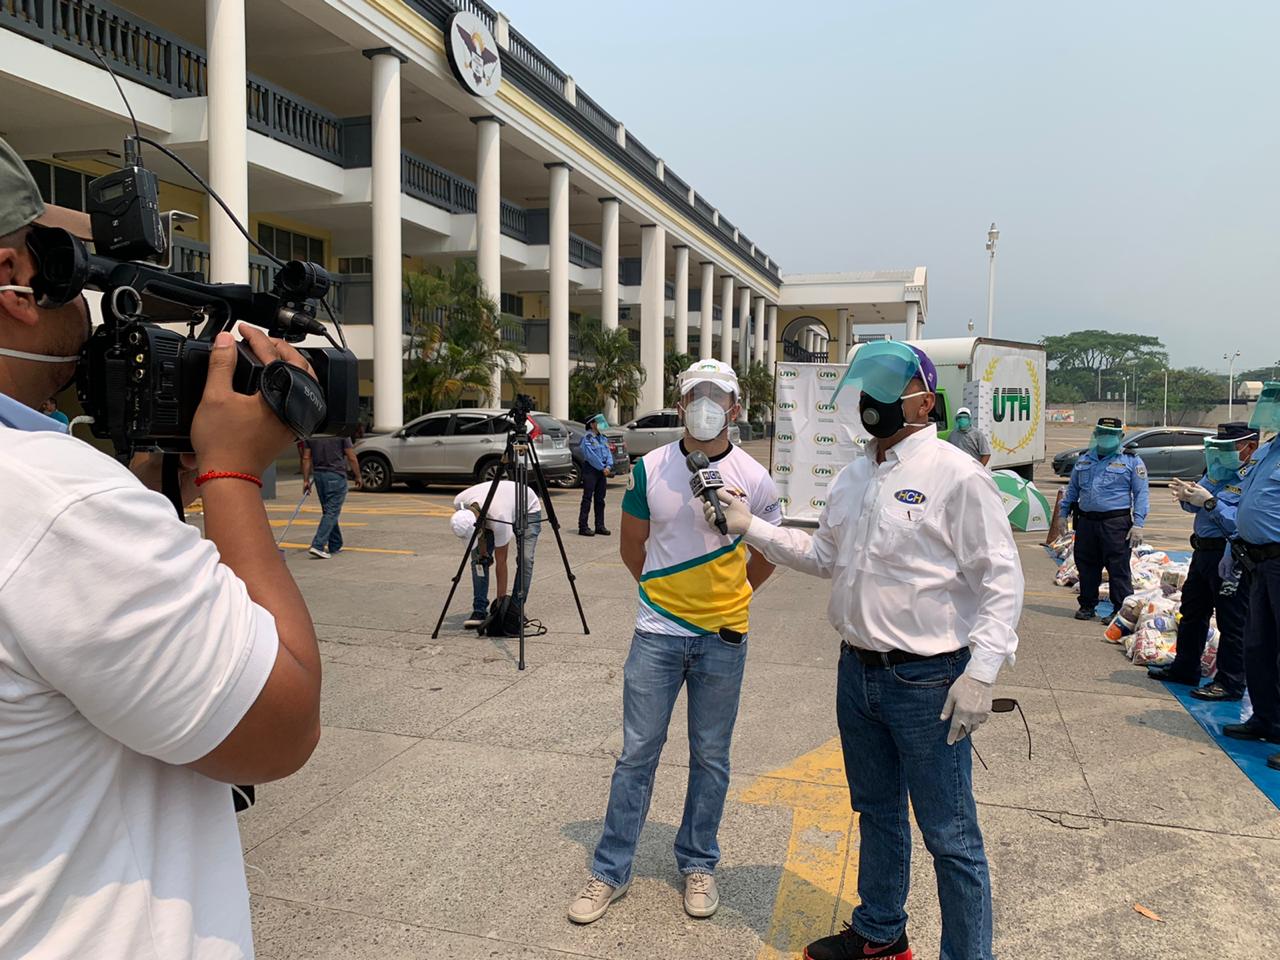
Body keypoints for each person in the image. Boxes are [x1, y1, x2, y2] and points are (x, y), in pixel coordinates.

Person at [0, 136, 322, 959]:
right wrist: (231, 473)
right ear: (15, 277)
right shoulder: (54, 503)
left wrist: (145, 488)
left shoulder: (68, 505)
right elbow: (280, 727)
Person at [704, 342, 1022, 960]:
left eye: (891, 388)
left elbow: (1000, 579)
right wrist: (753, 528)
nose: (874, 400)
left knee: (951, 835)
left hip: (929, 681)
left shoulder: (957, 475)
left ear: (925, 402)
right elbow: (825, 556)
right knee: (875, 810)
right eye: (868, 387)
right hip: (858, 672)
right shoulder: (853, 476)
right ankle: (881, 932)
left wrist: (982, 673)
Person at [568, 358, 781, 925]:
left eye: (718, 395)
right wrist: (664, 596)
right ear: (681, 404)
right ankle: (610, 869)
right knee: (637, 755)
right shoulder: (649, 469)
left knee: (711, 757)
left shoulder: (756, 478)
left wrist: (733, 595)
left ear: (735, 408)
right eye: (696, 394)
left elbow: (769, 552)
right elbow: (631, 548)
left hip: (723, 638)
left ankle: (699, 862)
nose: (707, 405)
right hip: (657, 636)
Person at [1148, 423, 1258, 700]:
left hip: (1230, 554)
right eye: (1217, 448)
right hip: (1203, 552)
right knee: (1192, 612)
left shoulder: (1252, 479)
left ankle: (1230, 682)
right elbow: (1195, 505)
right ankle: (1185, 667)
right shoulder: (1216, 471)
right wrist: (1187, 496)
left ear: (1250, 447)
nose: (1221, 453)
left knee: (1231, 620)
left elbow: (1241, 522)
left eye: (1228, 448)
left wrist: (1210, 502)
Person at [1222, 383, 1280, 769]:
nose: (1266, 408)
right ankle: (1266, 719)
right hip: (1259, 561)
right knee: (1258, 645)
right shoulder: (1269, 450)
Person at [1059, 416, 1149, 621]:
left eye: (1112, 434)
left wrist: (1138, 524)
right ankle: (1087, 606)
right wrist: (1062, 515)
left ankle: (1120, 610)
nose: (1107, 437)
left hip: (1115, 523)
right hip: (1087, 522)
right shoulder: (1084, 459)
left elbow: (1141, 494)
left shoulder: (1131, 460)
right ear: (1096, 434)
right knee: (1086, 565)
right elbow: (1072, 490)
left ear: (1121, 436)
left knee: (1118, 567)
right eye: (1103, 433)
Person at [451, 478, 542, 631]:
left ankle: (514, 609)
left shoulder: (500, 517)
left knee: (526, 559)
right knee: (478, 560)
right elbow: (479, 532)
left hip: (526, 507)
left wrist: (500, 609)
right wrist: (483, 553)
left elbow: (501, 563)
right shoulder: (460, 503)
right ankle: (479, 610)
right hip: (490, 510)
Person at [302, 434, 362, 558]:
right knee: (331, 512)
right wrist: (358, 476)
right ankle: (318, 545)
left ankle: (335, 544)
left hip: (319, 476)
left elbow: (306, 457)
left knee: (328, 511)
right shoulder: (341, 433)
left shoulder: (312, 434)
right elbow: (351, 456)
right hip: (336, 475)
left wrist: (306, 480)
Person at [578, 413, 614, 537]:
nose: (601, 425)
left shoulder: (603, 438)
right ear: (592, 424)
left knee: (600, 499)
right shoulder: (587, 438)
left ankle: (600, 525)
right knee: (587, 498)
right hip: (591, 470)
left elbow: (608, 453)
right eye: (598, 422)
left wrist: (608, 466)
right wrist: (602, 467)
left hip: (602, 471)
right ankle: (583, 526)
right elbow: (590, 456)